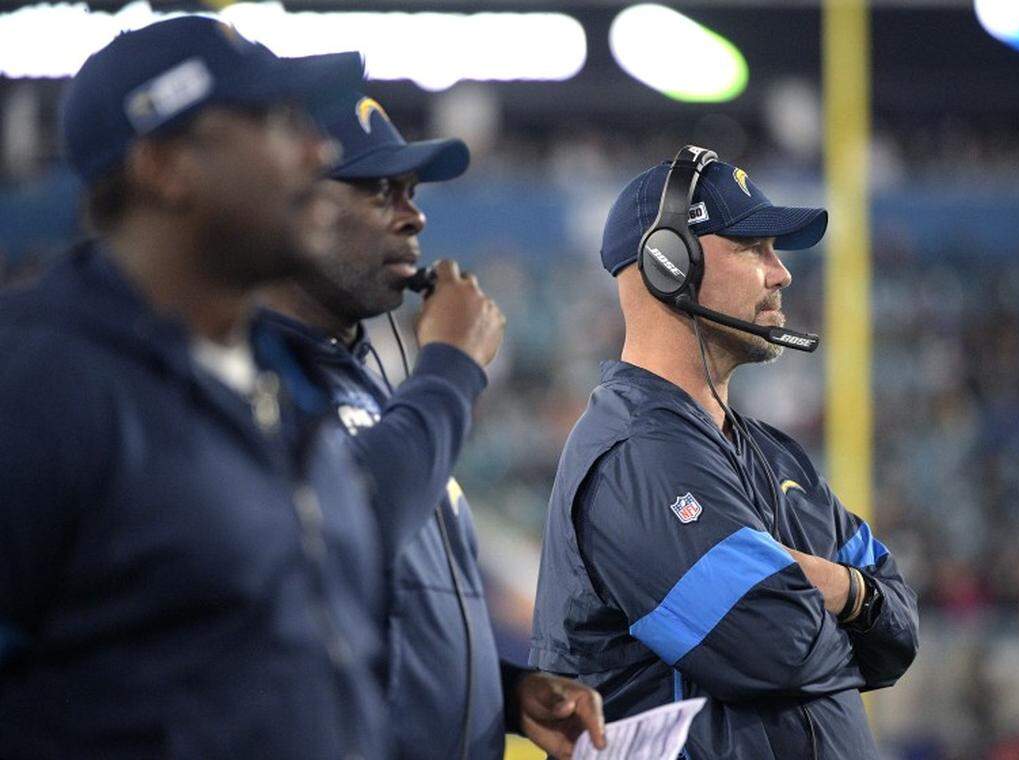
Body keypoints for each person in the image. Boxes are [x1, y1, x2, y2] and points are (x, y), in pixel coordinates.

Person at [0, 18, 393, 759]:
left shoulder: (294, 379)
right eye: (278, 122)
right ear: (164, 166)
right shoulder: (37, 387)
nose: (322, 151)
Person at [530, 151, 919, 758]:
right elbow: (777, 649)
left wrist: (837, 588)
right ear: (670, 263)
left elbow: (898, 632)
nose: (781, 273)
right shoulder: (636, 455)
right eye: (752, 247)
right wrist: (837, 609)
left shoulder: (774, 456)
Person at [257, 86, 606, 760]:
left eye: (411, 191)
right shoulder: (254, 374)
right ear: (298, 208)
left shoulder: (371, 386)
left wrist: (503, 694)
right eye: (381, 192)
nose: (414, 217)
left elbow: (384, 619)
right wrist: (449, 367)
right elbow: (348, 532)